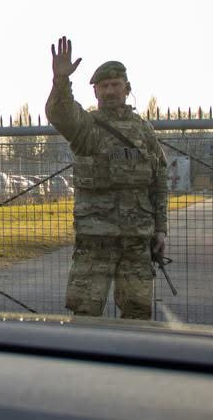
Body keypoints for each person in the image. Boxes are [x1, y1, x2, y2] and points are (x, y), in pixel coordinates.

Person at [45, 36, 168, 320]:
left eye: (115, 85)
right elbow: (59, 113)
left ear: (127, 88)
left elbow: (159, 180)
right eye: (104, 86)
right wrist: (60, 81)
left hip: (137, 239)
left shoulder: (143, 130)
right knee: (85, 311)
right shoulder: (87, 127)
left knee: (137, 311)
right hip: (95, 240)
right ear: (96, 92)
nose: (110, 91)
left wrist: (161, 228)